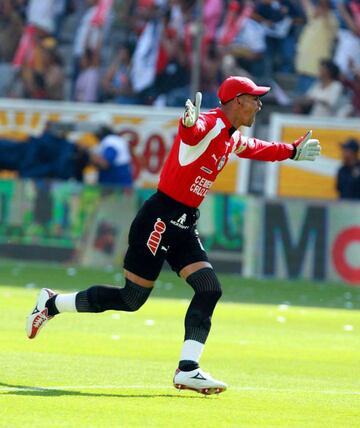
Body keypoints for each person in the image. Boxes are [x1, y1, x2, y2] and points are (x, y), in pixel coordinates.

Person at [26, 76, 321, 395]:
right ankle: (52, 303)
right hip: (159, 218)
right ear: (237, 101)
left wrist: (291, 151)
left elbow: (257, 148)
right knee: (131, 298)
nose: (259, 104)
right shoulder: (208, 123)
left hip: (183, 222)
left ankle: (188, 369)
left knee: (209, 288)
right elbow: (192, 131)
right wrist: (187, 122)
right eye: (255, 98)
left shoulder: (231, 135)